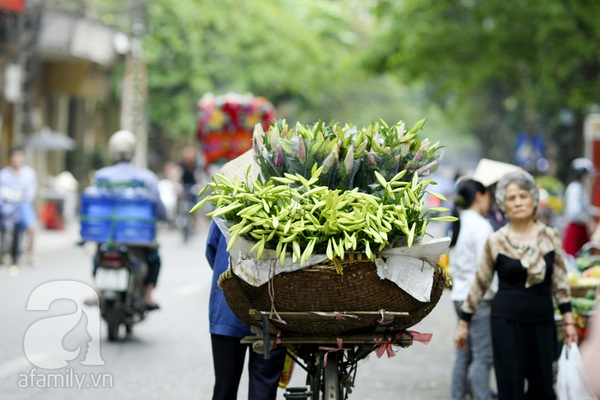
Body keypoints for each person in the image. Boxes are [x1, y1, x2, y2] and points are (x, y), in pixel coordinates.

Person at [454, 169, 578, 400]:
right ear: (503, 203)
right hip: (505, 322)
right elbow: (480, 283)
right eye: (511, 198)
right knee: (510, 386)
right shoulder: (497, 240)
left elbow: (560, 283)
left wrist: (569, 321)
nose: (518, 202)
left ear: (533, 200)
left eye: (523, 196)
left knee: (542, 388)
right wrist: (464, 323)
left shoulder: (550, 236)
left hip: (542, 321)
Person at [205, 150, 286, 400]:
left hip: (227, 309)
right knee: (263, 388)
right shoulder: (288, 209)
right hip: (272, 312)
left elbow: (211, 251)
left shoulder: (226, 207)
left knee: (224, 388)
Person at [92, 130, 167, 309]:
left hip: (107, 236)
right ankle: (148, 295)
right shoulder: (147, 177)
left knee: (98, 254)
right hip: (138, 237)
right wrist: (164, 217)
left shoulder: (100, 176)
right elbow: (159, 207)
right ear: (133, 151)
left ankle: (97, 290)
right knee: (154, 259)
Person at [449, 179, 495, 400]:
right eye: (488, 196)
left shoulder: (458, 222)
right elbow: (485, 269)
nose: (490, 201)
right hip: (477, 300)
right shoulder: (481, 225)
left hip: (458, 296)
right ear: (479, 196)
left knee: (463, 355)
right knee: (483, 357)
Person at [0, 147, 37, 267]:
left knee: (32, 227)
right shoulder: (4, 174)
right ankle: (5, 252)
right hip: (6, 205)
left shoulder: (29, 174)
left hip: (23, 205)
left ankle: (31, 254)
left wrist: (18, 199)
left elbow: (30, 195)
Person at [563, 157, 599, 257]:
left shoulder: (580, 188)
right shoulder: (575, 188)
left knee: (584, 257)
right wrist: (589, 221)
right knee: (573, 257)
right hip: (575, 229)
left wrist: (596, 211)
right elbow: (575, 212)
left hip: (581, 229)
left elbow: (585, 208)